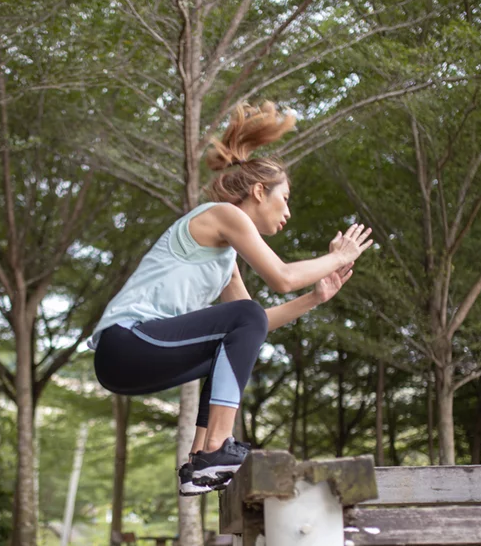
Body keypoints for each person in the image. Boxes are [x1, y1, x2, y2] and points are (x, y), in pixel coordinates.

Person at [88, 102, 374, 495]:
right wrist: (338, 257)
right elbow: (281, 278)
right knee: (242, 318)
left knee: (237, 331)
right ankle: (217, 449)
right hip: (126, 343)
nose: (287, 210)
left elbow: (255, 325)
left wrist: (315, 298)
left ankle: (197, 464)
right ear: (259, 191)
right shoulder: (223, 214)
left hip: (127, 364)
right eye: (284, 197)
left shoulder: (225, 259)